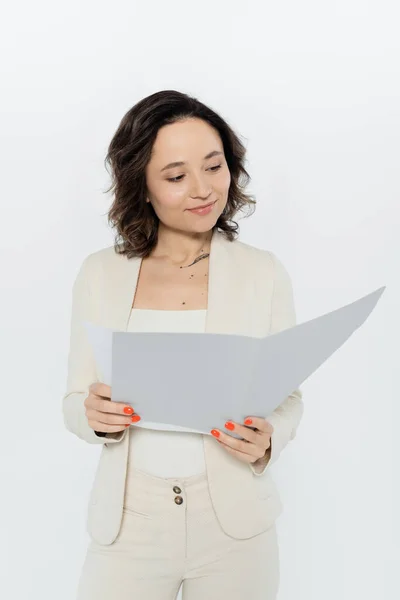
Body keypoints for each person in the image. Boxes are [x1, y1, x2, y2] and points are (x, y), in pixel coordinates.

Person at [62, 90, 304, 600]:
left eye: (214, 167)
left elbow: (288, 396)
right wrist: (93, 416)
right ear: (142, 186)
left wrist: (268, 440)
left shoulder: (262, 272)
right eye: (176, 177)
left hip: (236, 529)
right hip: (129, 523)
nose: (203, 190)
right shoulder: (100, 274)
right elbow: (74, 402)